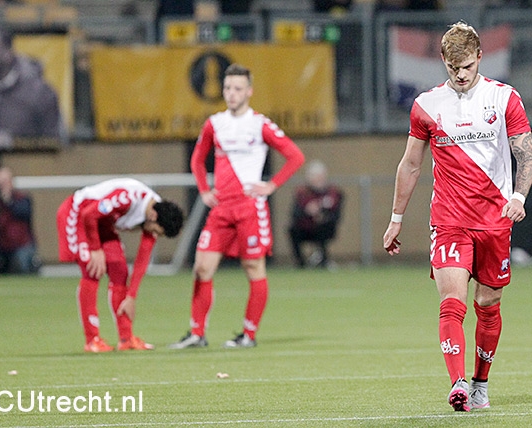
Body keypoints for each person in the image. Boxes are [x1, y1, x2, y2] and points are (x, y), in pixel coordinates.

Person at [382, 21, 532, 412]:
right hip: (449, 219)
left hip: (495, 219)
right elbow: (411, 165)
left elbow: (526, 156)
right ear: (443, 62)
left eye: (467, 66)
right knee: (452, 299)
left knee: (488, 303)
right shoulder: (427, 105)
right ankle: (458, 383)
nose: (462, 74)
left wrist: (518, 196)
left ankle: (481, 383)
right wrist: (396, 218)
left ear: (480, 57)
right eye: (454, 68)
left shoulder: (504, 99)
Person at [169, 63, 305, 350]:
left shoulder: (260, 124)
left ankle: (248, 335)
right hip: (221, 209)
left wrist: (272, 184)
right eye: (228, 88)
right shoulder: (214, 123)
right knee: (201, 268)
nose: (231, 94)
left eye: (237, 88)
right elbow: (197, 159)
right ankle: (197, 333)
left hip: (249, 208)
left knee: (253, 267)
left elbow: (295, 156)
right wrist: (204, 191)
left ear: (249, 91)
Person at [56, 178, 184, 352]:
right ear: (154, 217)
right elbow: (89, 214)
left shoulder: (154, 212)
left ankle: (126, 339)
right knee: (93, 269)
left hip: (101, 223)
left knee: (120, 271)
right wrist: (95, 249)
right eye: (155, 231)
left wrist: (131, 296)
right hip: (78, 214)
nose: (152, 234)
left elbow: (142, 260)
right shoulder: (128, 198)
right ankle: (92, 340)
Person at [288, 160, 344, 268]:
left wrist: (322, 214)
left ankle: (323, 260)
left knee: (323, 228)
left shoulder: (333, 192)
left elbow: (336, 214)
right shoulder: (302, 193)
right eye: (314, 176)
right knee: (292, 230)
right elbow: (295, 213)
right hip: (305, 227)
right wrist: (307, 211)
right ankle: (301, 264)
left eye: (320, 176)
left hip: (324, 228)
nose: (318, 179)